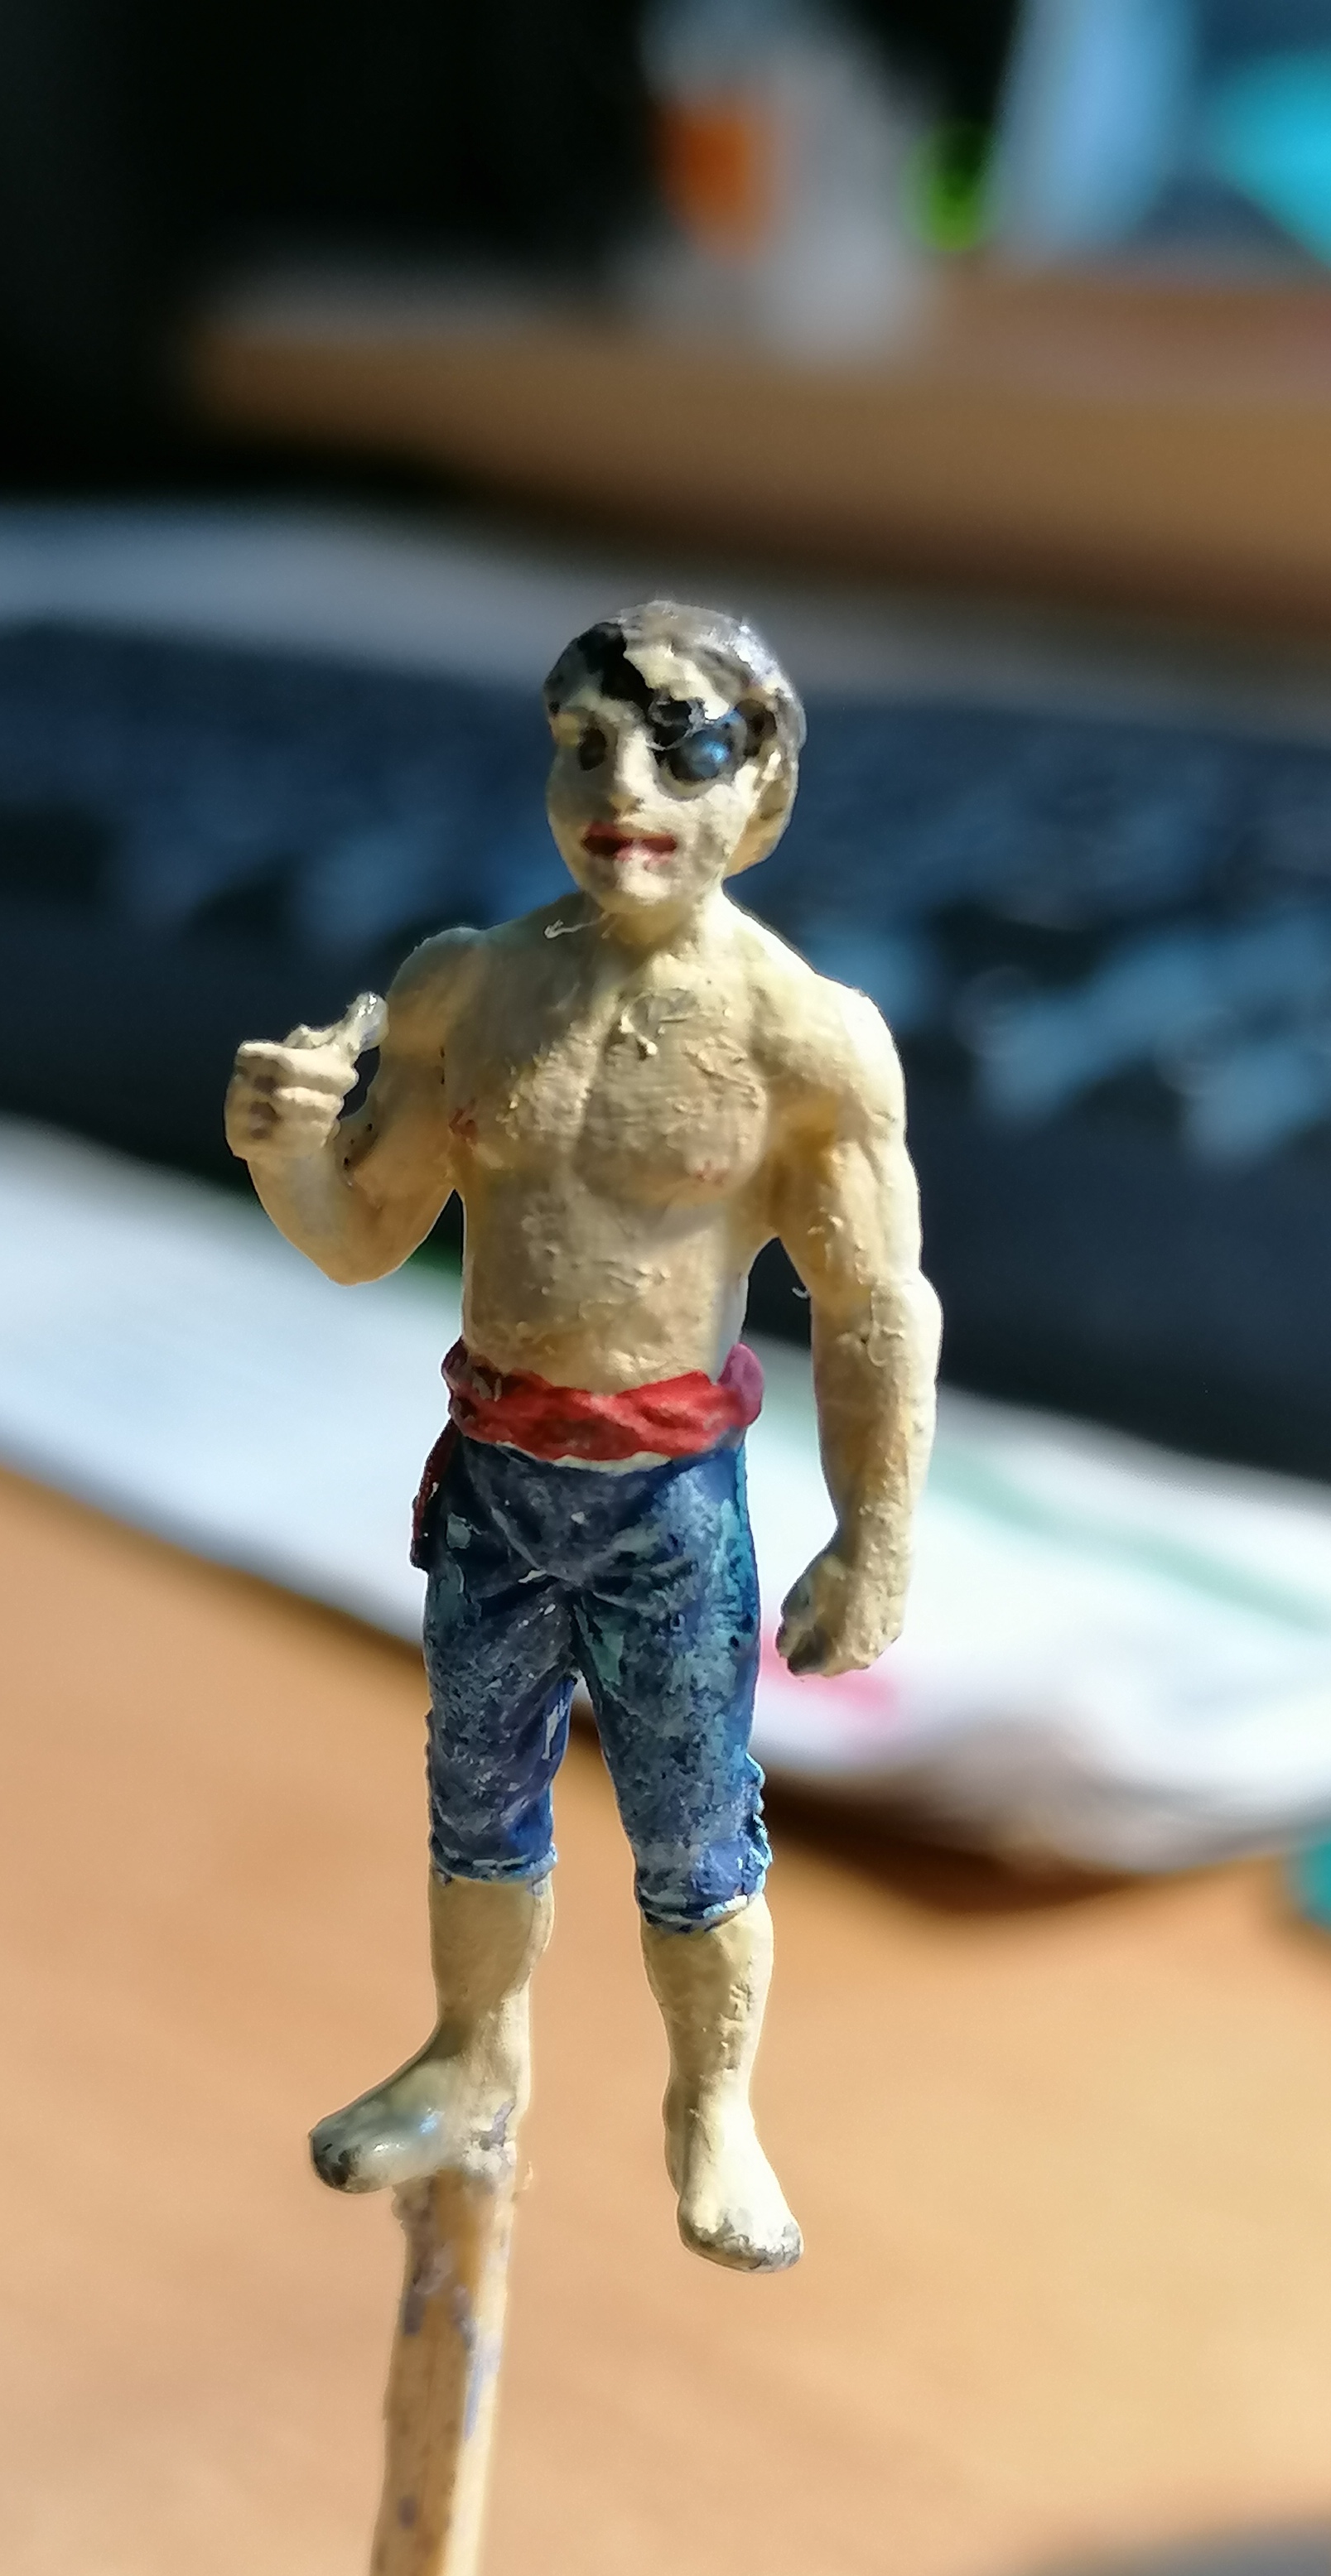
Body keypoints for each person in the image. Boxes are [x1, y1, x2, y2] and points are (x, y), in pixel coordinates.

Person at [225, 598, 938, 2270]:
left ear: (762, 788)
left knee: (697, 1828)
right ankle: (471, 2057)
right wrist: (286, 1149)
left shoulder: (804, 1039)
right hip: (497, 1481)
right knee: (476, 1797)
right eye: (587, 746)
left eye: (682, 752)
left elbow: (874, 1304)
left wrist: (877, 1535)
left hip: (667, 1506)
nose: (624, 790)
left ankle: (714, 2105)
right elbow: (363, 1235)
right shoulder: (467, 990)